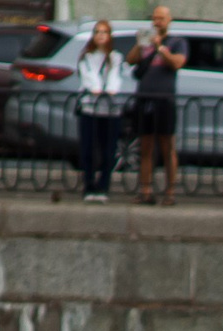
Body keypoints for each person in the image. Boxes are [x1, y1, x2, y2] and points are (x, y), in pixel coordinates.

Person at [128, 6, 186, 206]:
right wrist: (140, 43)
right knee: (145, 146)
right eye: (154, 18)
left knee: (167, 145)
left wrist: (160, 47)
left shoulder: (177, 42)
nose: (157, 22)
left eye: (161, 18)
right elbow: (131, 60)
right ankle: (145, 190)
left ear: (169, 20)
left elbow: (177, 63)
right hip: (145, 98)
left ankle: (170, 192)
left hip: (165, 100)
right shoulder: (146, 42)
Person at [72, 18, 127, 204]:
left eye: (104, 32)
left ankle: (103, 186)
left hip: (110, 110)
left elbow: (116, 78)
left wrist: (110, 90)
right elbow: (88, 78)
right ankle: (88, 185)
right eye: (97, 32)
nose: (100, 36)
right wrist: (96, 88)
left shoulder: (115, 57)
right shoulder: (86, 56)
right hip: (90, 108)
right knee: (88, 149)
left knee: (108, 150)